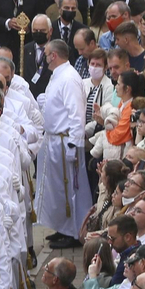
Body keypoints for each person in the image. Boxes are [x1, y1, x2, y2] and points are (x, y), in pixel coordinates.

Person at [37, 41, 94, 248]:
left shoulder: (69, 78)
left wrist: (73, 145)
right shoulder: (57, 75)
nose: (44, 58)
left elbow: (76, 114)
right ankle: (62, 227)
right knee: (57, 189)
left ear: (54, 55)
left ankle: (75, 231)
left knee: (70, 188)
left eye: (46, 54)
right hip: (54, 139)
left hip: (66, 141)